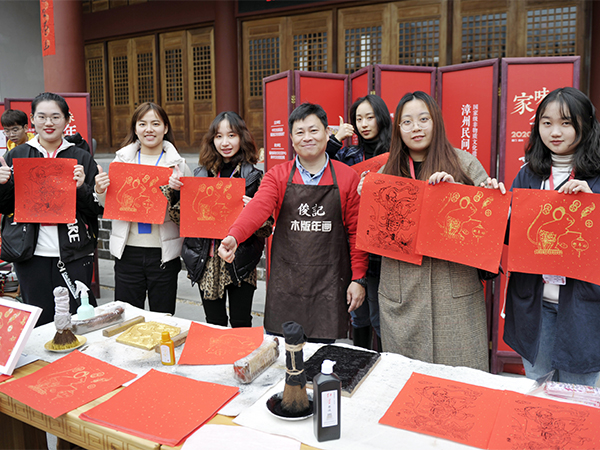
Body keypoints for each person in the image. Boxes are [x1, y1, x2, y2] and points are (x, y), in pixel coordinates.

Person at [218, 102, 368, 342]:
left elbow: (356, 232)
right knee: (282, 355)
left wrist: (358, 278)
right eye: (300, 132)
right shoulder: (277, 175)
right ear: (291, 138)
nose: (307, 137)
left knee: (321, 356)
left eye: (313, 130)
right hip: (286, 282)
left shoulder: (346, 176)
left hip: (329, 283)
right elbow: (258, 206)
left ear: (327, 133)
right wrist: (234, 236)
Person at [375, 91, 491, 371]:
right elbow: (376, 235)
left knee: (461, 382)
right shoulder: (386, 172)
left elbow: (488, 230)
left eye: (423, 119)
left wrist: (460, 195)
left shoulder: (465, 164)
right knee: (406, 382)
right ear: (398, 128)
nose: (416, 127)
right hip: (402, 292)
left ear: (436, 121)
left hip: (454, 291)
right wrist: (369, 198)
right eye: (407, 122)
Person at [500, 87, 600, 386]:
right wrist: (498, 209)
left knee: (578, 394)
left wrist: (593, 206)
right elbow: (513, 237)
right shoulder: (528, 174)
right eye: (546, 123)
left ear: (586, 124)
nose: (555, 132)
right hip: (535, 303)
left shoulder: (596, 177)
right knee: (538, 387)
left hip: (583, 305)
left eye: (566, 123)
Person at [0, 93, 102, 326]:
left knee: (79, 319)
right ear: (32, 120)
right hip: (30, 254)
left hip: (74, 253)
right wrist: (3, 185)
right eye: (42, 117)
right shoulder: (17, 155)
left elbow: (95, 208)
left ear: (67, 120)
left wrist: (82, 188)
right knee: (40, 322)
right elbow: (5, 207)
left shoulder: (81, 157)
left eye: (56, 117)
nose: (49, 123)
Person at [166, 111, 271, 328]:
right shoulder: (200, 175)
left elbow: (267, 227)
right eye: (219, 136)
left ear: (242, 137)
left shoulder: (254, 177)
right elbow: (181, 219)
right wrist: (176, 193)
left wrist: (254, 211)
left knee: (241, 322)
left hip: (240, 261)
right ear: (212, 140)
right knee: (214, 323)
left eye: (231, 135)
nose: (225, 142)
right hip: (206, 261)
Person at [94, 102, 191, 315]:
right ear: (135, 128)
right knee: (127, 316)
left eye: (155, 123)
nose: (149, 129)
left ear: (165, 128)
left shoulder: (179, 165)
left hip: (163, 253)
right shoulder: (121, 161)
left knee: (163, 317)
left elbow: (188, 212)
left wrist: (176, 193)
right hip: (127, 250)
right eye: (142, 124)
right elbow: (109, 205)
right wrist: (100, 190)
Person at [326, 94, 392, 350]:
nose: (364, 124)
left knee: (381, 315)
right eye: (358, 119)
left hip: (387, 244)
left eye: (370, 117)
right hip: (355, 239)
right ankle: (361, 360)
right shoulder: (349, 154)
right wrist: (336, 139)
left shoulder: (395, 154)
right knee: (359, 312)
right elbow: (322, 168)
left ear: (381, 118)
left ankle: (384, 362)